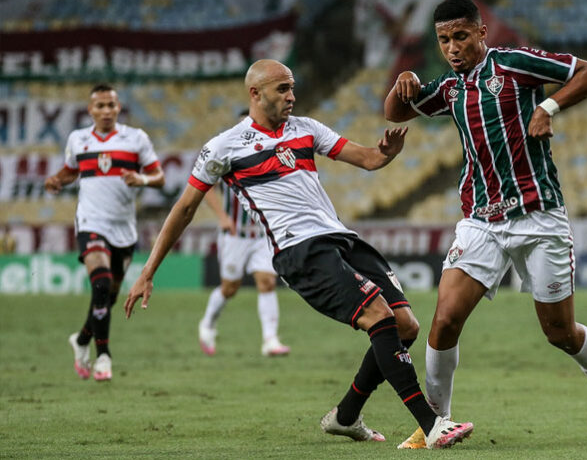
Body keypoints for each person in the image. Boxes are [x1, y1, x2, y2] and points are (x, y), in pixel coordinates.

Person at [124, 59, 473, 449]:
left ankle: (345, 416)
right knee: (380, 316)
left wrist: (387, 153)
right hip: (299, 250)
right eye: (282, 89)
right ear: (255, 93)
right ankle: (432, 425)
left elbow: (368, 159)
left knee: (406, 326)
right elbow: (184, 209)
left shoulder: (306, 129)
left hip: (342, 238)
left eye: (292, 87)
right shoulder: (224, 147)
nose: (292, 96)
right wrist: (147, 271)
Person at [384, 0, 587, 447]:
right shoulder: (450, 88)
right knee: (444, 321)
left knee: (559, 332)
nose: (452, 48)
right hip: (480, 221)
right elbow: (395, 113)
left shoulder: (514, 64)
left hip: (539, 216)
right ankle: (435, 421)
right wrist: (405, 81)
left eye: (460, 37)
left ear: (480, 33)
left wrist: (547, 109)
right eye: (443, 40)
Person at [45, 84, 165, 382]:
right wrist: (58, 179)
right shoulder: (78, 139)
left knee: (108, 298)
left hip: (123, 227)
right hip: (91, 221)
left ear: (118, 107)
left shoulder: (135, 139)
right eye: (100, 106)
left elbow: (159, 177)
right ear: (90, 110)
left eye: (111, 105)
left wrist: (141, 179)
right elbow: (72, 170)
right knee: (101, 284)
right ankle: (104, 357)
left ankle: (81, 340)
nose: (107, 111)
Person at [198, 110, 290, 357]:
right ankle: (207, 324)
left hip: (261, 235)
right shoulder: (227, 152)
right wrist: (222, 217)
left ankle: (270, 340)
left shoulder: (271, 153)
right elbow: (206, 188)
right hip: (235, 235)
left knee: (267, 282)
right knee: (230, 288)